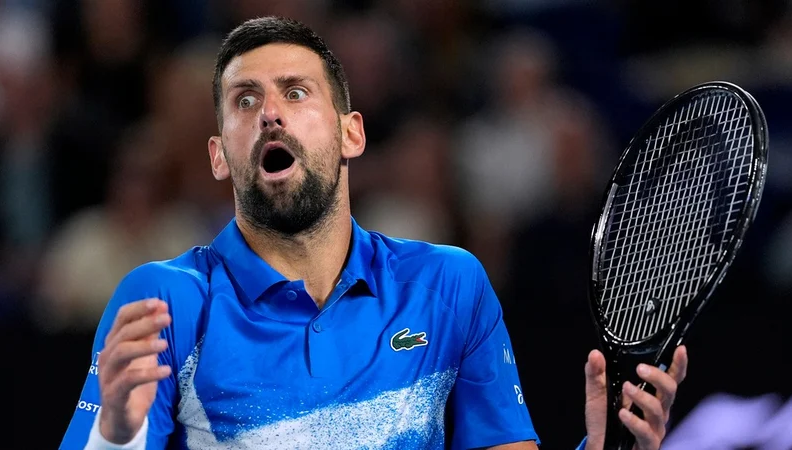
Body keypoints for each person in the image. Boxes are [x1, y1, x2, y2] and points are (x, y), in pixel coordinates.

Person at [59, 16, 688, 450]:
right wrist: (116, 432)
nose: (271, 111)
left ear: (352, 134)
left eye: (296, 92)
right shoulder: (164, 301)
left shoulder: (447, 284)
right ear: (220, 154)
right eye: (245, 101)